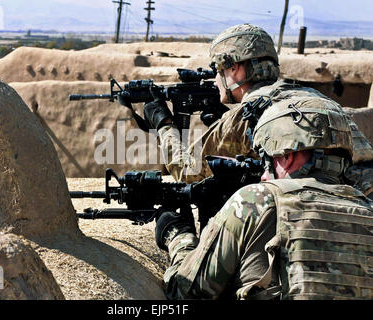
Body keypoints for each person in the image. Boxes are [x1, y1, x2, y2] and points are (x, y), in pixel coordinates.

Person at [154, 94, 373, 300]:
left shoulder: (257, 200)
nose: (264, 174)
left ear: (287, 156)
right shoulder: (368, 208)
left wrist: (177, 235)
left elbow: (185, 292)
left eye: (267, 159)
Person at [142, 23, 373, 199]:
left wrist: (164, 125)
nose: (215, 79)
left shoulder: (246, 115)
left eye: (218, 69)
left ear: (235, 68)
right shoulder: (320, 100)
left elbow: (187, 171)